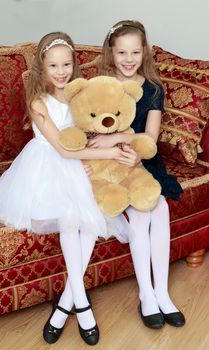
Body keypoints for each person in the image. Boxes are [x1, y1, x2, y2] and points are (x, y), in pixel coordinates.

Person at [0, 31, 132, 345]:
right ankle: (83, 307)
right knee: (69, 218)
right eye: (53, 66)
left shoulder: (79, 94)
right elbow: (62, 150)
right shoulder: (38, 99)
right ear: (42, 68)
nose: (61, 72)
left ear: (74, 65)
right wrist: (108, 153)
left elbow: (85, 134)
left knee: (91, 222)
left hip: (76, 163)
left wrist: (99, 152)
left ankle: (64, 304)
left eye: (66, 64)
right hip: (45, 166)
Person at [88, 20, 185, 329]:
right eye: (122, 53)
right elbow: (89, 128)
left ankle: (162, 293)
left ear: (144, 52)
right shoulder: (101, 84)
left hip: (143, 158)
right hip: (111, 164)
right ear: (111, 53)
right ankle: (146, 295)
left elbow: (151, 137)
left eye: (135, 52)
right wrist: (110, 146)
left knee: (162, 207)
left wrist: (118, 140)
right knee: (142, 214)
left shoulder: (154, 88)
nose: (128, 60)